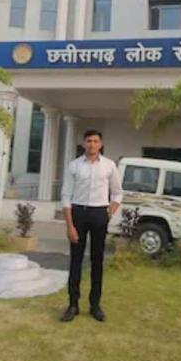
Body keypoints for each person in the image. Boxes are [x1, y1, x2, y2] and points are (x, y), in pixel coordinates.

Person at [59, 130, 123, 323]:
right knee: (76, 261)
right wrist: (70, 226)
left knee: (97, 260)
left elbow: (117, 193)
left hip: (99, 214)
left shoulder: (109, 166)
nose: (92, 144)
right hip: (78, 213)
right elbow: (66, 196)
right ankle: (73, 305)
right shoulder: (74, 166)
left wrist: (109, 213)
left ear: (101, 144)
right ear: (83, 143)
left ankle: (95, 305)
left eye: (95, 141)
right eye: (89, 141)